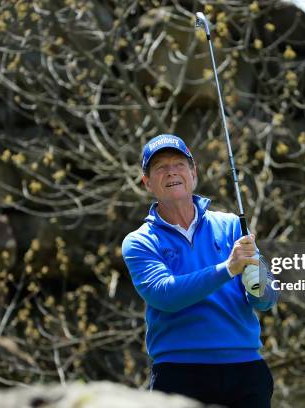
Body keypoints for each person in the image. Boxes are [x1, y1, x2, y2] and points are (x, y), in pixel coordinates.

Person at [122, 134, 279, 408]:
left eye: (179, 164)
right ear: (146, 182)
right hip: (180, 374)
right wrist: (228, 269)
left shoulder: (230, 225)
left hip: (245, 369)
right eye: (160, 167)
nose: (171, 171)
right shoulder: (140, 241)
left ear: (193, 173)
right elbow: (165, 295)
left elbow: (266, 299)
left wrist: (259, 285)